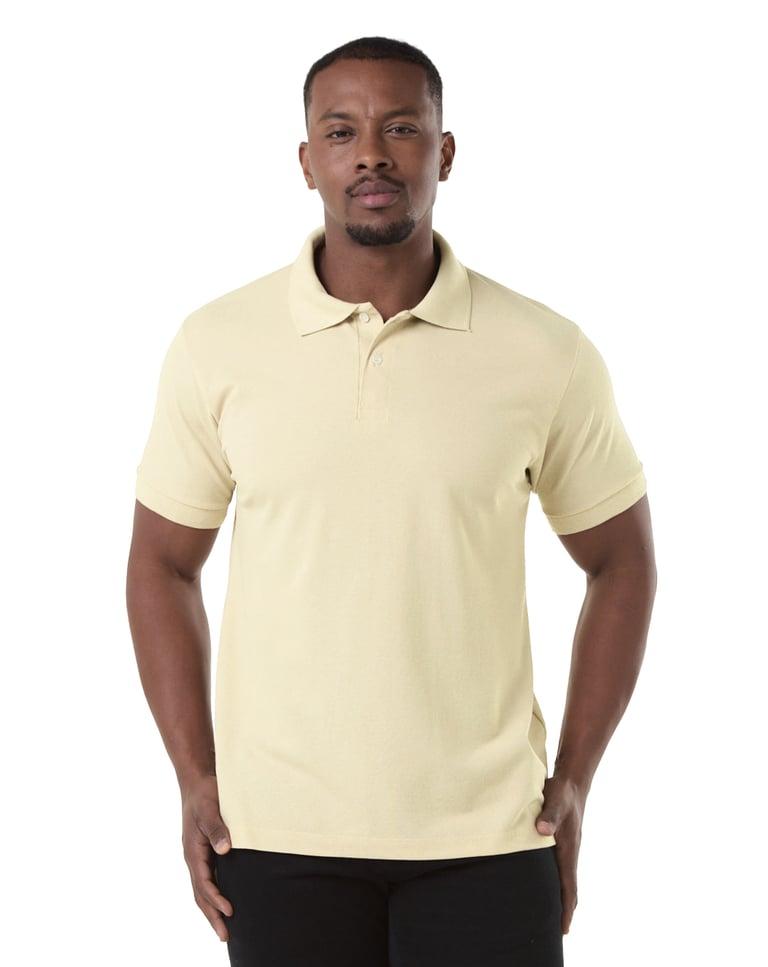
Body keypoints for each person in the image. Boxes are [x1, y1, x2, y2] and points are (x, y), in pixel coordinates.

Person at [126, 36, 656, 967]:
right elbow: (162, 564)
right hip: (278, 834)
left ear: (444, 153)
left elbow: (621, 561)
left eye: (401, 128)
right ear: (307, 162)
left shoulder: (545, 352)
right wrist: (194, 775)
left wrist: (574, 778)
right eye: (341, 132)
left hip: (489, 838)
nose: (370, 154)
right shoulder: (218, 345)